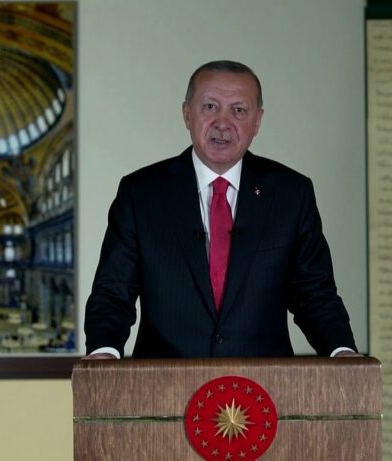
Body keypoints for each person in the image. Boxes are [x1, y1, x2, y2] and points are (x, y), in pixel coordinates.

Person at [84, 60, 357, 359]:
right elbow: (112, 294)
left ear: (257, 121)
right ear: (187, 113)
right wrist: (103, 353)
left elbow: (315, 294)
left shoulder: (291, 195)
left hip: (263, 385)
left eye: (238, 110)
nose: (223, 123)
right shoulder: (140, 194)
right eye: (210, 107)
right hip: (165, 384)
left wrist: (341, 351)